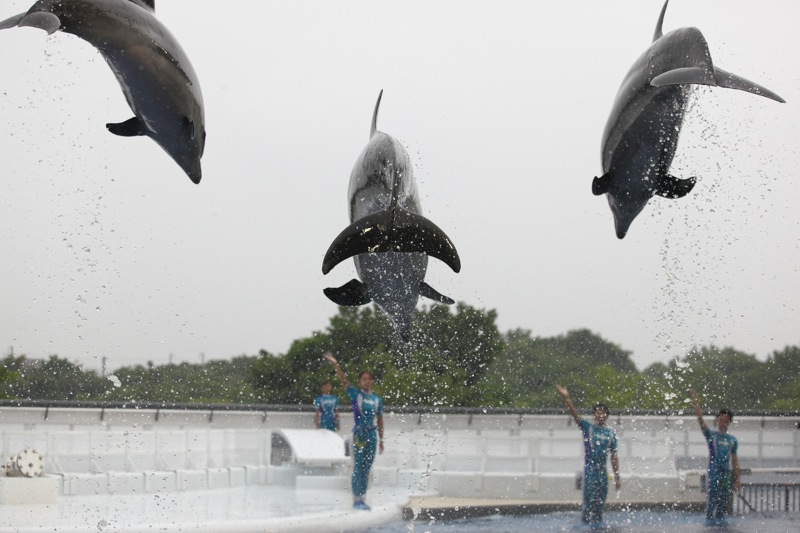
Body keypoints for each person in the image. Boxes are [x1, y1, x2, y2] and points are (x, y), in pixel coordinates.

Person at [323, 352, 384, 511]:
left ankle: (362, 497)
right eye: (364, 379)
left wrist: (382, 440)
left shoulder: (377, 399)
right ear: (360, 382)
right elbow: (344, 381)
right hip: (359, 434)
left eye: (369, 379)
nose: (367, 381)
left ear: (372, 381)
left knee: (367, 467)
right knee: (358, 466)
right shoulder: (356, 394)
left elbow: (380, 419)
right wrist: (336, 364)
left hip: (372, 434)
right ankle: (356, 498)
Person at [556, 384, 621, 525]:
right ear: (594, 414)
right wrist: (566, 398)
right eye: (597, 412)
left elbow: (614, 456)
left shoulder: (611, 434)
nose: (600, 414)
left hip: (603, 473)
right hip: (590, 471)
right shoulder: (588, 428)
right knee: (588, 502)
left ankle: (597, 526)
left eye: (603, 412)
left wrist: (617, 477)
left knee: (600, 504)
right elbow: (574, 414)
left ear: (607, 415)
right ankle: (584, 526)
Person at [690, 389, 741, 522]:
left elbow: (734, 461)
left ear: (729, 422)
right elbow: (700, 420)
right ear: (717, 420)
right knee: (712, 500)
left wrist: (737, 480)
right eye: (720, 420)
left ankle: (720, 526)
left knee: (723, 503)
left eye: (725, 421)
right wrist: (696, 402)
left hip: (726, 474)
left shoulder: (732, 440)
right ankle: (708, 525)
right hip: (714, 472)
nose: (722, 423)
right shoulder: (711, 436)